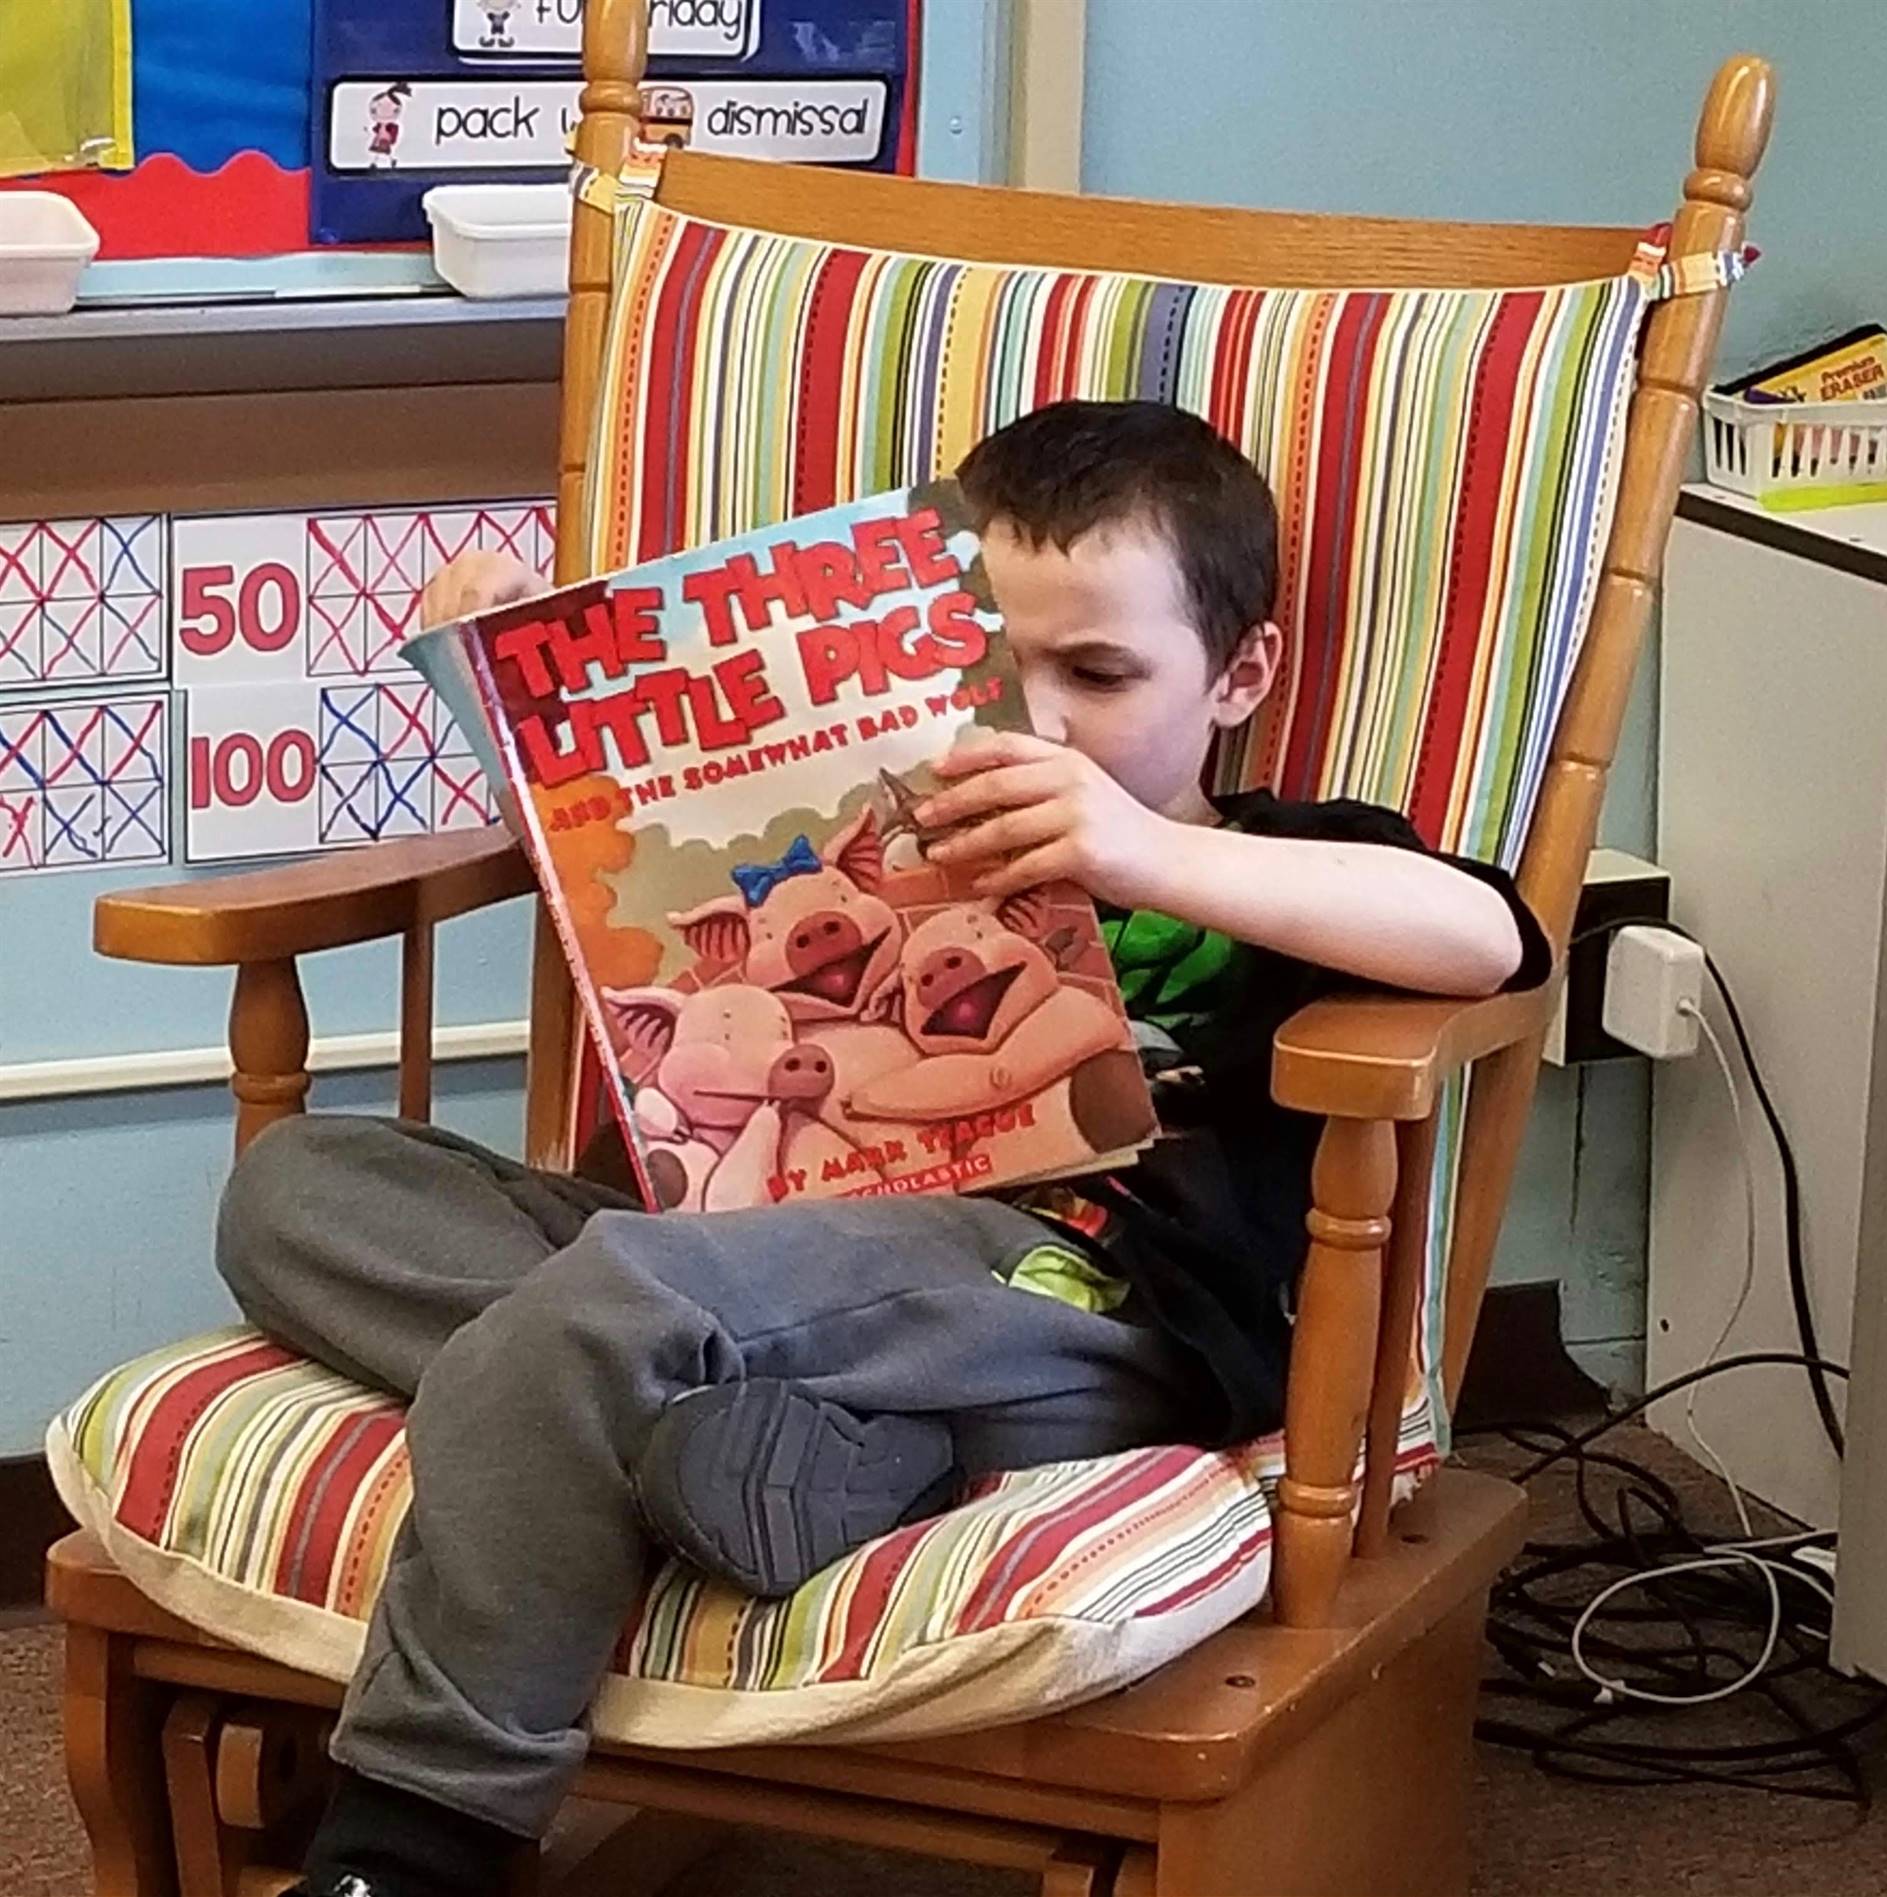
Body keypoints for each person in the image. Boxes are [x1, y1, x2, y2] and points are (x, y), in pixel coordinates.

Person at [228, 400, 1550, 1897]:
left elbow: (1492, 937)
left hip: (1072, 1294)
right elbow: (654, 875)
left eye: (1102, 673)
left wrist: (1140, 852)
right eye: (997, 669)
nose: (1040, 724)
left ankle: (415, 1843)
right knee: (298, 1187)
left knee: (624, 1295)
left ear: (1238, 674)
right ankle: (738, 1443)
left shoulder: (1279, 857)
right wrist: (517, 680)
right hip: (750, 1245)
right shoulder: (863, 831)